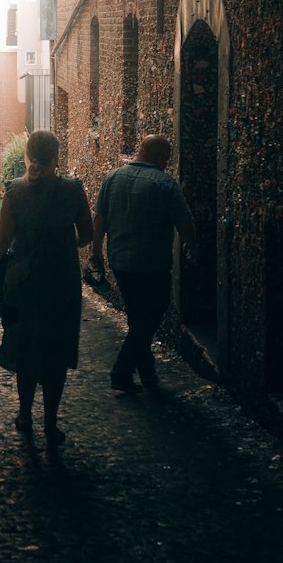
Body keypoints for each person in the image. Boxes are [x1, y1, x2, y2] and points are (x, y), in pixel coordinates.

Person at [0, 130, 92, 449]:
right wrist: (61, 244)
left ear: (28, 157)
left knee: (26, 348)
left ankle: (24, 414)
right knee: (56, 353)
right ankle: (50, 423)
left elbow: (3, 238)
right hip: (62, 282)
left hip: (25, 283)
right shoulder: (73, 190)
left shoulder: (15, 192)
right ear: (56, 157)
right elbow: (86, 235)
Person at [89, 135, 196, 392]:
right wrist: (193, 245)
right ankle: (121, 371)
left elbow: (99, 219)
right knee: (152, 314)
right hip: (152, 264)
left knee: (138, 317)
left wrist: (96, 252)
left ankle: (147, 372)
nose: (166, 163)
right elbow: (184, 222)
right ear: (159, 157)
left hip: (120, 262)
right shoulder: (165, 183)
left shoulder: (112, 177)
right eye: (166, 158)